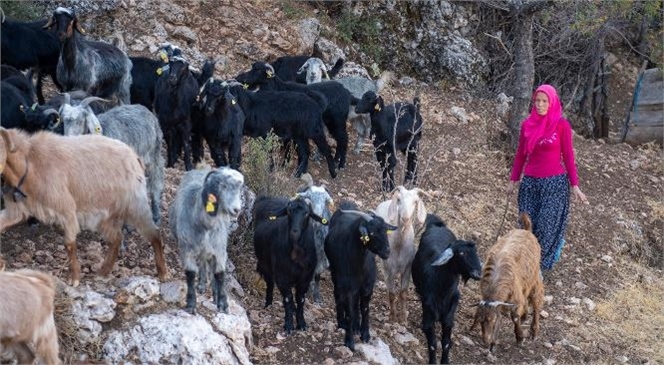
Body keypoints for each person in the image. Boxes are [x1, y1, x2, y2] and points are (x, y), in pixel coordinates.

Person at [508, 84, 589, 272]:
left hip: (554, 184)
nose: (540, 104)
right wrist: (513, 180)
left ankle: (539, 268)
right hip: (530, 183)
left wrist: (575, 185)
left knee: (546, 227)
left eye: (545, 101)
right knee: (527, 225)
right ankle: (527, 263)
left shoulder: (561, 125)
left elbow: (568, 156)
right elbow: (520, 155)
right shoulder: (527, 125)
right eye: (537, 100)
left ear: (552, 102)